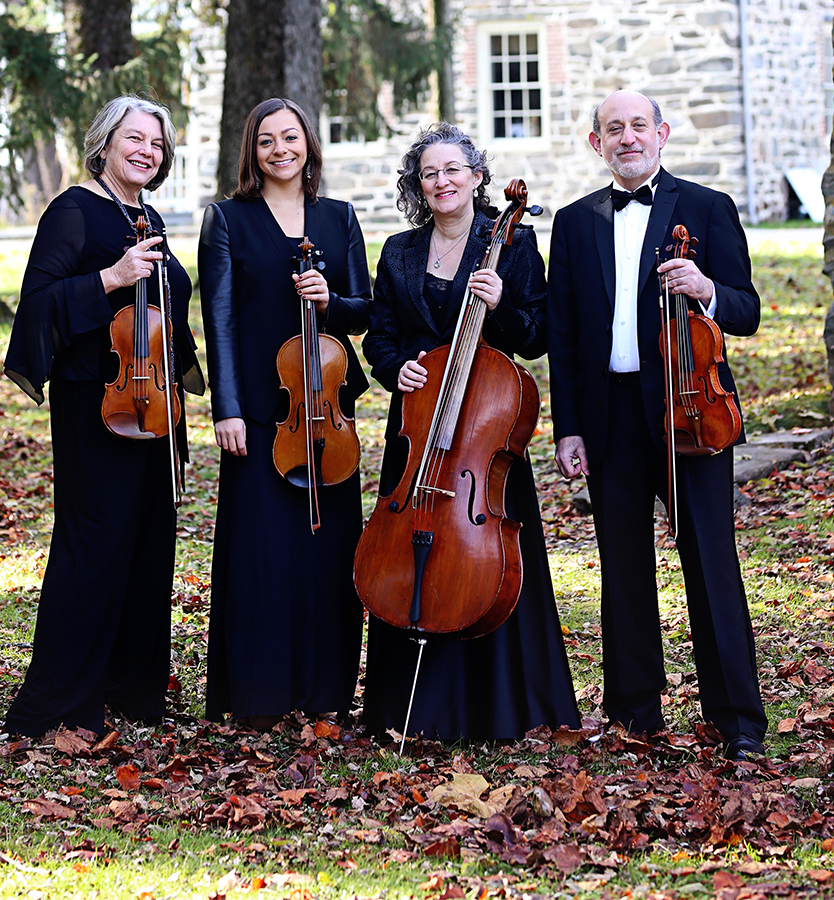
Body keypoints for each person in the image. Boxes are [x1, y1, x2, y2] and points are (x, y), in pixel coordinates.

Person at [547, 90, 767, 760]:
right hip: (609, 415)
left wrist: (706, 289)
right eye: (612, 129)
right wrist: (569, 427)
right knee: (624, 569)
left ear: (662, 133)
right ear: (596, 144)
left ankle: (738, 723)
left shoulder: (705, 208)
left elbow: (747, 309)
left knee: (710, 562)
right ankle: (634, 716)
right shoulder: (573, 221)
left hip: (687, 407)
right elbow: (564, 334)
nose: (627, 138)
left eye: (638, 125)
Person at [361, 123, 580, 741]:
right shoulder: (400, 251)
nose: (442, 181)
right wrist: (391, 366)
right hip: (420, 432)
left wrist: (503, 300)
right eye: (429, 173)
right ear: (418, 185)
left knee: (491, 559)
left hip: (483, 436)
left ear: (477, 177)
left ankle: (500, 708)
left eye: (453, 170)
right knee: (406, 551)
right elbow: (380, 332)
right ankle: (405, 712)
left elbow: (534, 335)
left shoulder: (509, 241)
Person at [2, 95, 205, 737]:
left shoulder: (146, 216)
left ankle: (132, 692)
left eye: (157, 143)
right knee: (93, 545)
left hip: (152, 405)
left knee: (148, 546)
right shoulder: (73, 211)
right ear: (104, 144)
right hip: (96, 403)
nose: (147, 151)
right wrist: (111, 279)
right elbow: (37, 307)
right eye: (134, 139)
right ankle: (59, 704)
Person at [198, 98, 371, 729]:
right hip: (263, 415)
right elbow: (218, 318)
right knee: (261, 554)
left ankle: (325, 690)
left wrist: (332, 302)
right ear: (252, 151)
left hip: (325, 416)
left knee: (326, 552)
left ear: (308, 145)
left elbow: (365, 310)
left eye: (290, 137)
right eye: (266, 140)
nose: (279, 149)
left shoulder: (339, 217)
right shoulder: (226, 219)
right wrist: (229, 409)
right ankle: (258, 693)